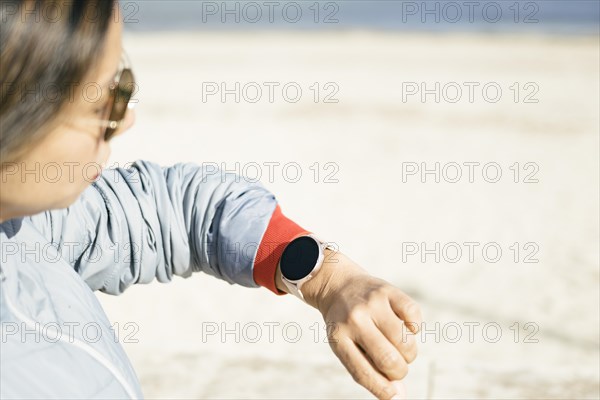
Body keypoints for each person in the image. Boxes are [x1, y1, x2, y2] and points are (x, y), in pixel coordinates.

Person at [0, 1, 422, 399]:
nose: (126, 118)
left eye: (122, 81)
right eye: (103, 103)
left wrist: (327, 278)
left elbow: (176, 211)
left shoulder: (30, 226)